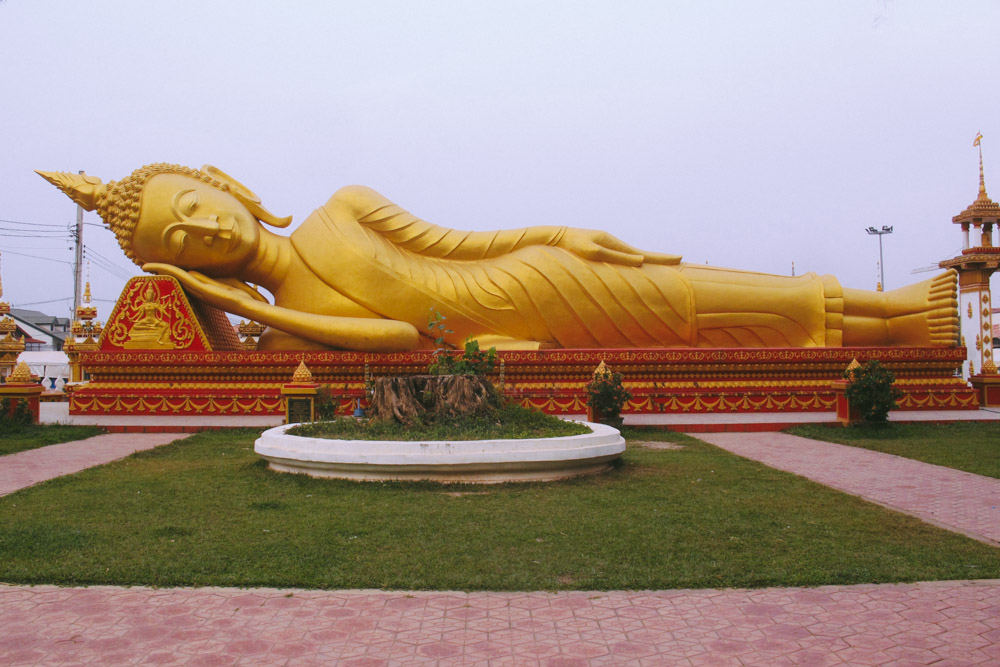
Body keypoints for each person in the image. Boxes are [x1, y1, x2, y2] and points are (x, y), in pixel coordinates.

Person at [38, 164, 959, 352]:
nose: (205, 231)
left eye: (195, 207)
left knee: (688, 289)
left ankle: (895, 310)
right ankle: (896, 335)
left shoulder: (341, 208)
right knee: (694, 328)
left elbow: (458, 243)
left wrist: (560, 232)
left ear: (223, 183)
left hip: (533, 277)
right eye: (182, 244)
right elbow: (405, 339)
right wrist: (248, 308)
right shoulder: (293, 328)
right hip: (504, 336)